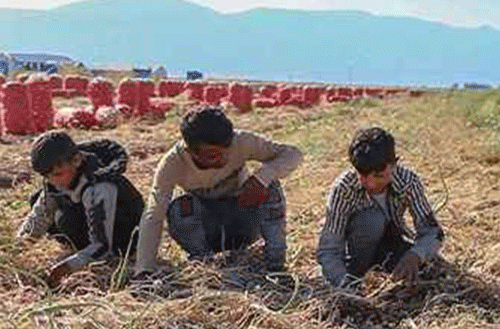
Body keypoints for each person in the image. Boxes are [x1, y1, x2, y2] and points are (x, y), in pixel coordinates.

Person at [132, 105, 302, 277]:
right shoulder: (172, 164)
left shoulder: (241, 141)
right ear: (191, 151)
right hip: (206, 232)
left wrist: (261, 177)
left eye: (227, 151)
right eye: (213, 156)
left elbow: (293, 153)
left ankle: (275, 265)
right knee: (179, 209)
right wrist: (144, 268)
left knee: (270, 186)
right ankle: (206, 265)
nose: (224, 159)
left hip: (245, 220)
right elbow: (153, 215)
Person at [316, 127, 444, 288]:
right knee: (372, 219)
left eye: (379, 176)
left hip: (389, 245)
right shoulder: (343, 189)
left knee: (431, 270)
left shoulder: (408, 182)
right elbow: (329, 249)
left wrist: (416, 255)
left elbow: (433, 232)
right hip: (355, 254)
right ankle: (357, 277)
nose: (370, 184)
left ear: (394, 164)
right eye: (362, 175)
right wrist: (344, 284)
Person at [18, 131, 144, 288]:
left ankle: (90, 255)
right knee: (38, 198)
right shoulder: (57, 179)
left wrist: (69, 266)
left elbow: (102, 246)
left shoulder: (99, 185)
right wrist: (17, 248)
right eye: (47, 176)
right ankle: (82, 251)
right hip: (89, 227)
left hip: (121, 238)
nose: (52, 181)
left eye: (57, 174)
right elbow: (40, 215)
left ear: (77, 160)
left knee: (67, 219)